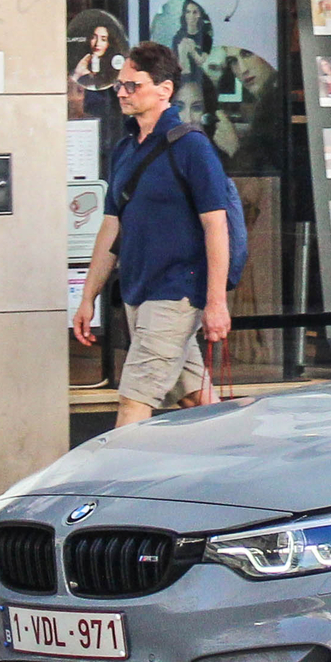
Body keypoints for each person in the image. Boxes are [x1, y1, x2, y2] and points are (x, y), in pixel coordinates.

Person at [73, 41, 242, 426]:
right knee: (197, 399)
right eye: (119, 85)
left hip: (177, 291)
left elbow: (216, 226)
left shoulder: (192, 147)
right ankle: (239, 462)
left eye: (133, 85)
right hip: (138, 289)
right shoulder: (125, 149)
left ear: (164, 90)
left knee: (134, 401)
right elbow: (111, 226)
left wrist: (216, 303)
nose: (122, 93)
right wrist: (87, 297)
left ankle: (114, 485)